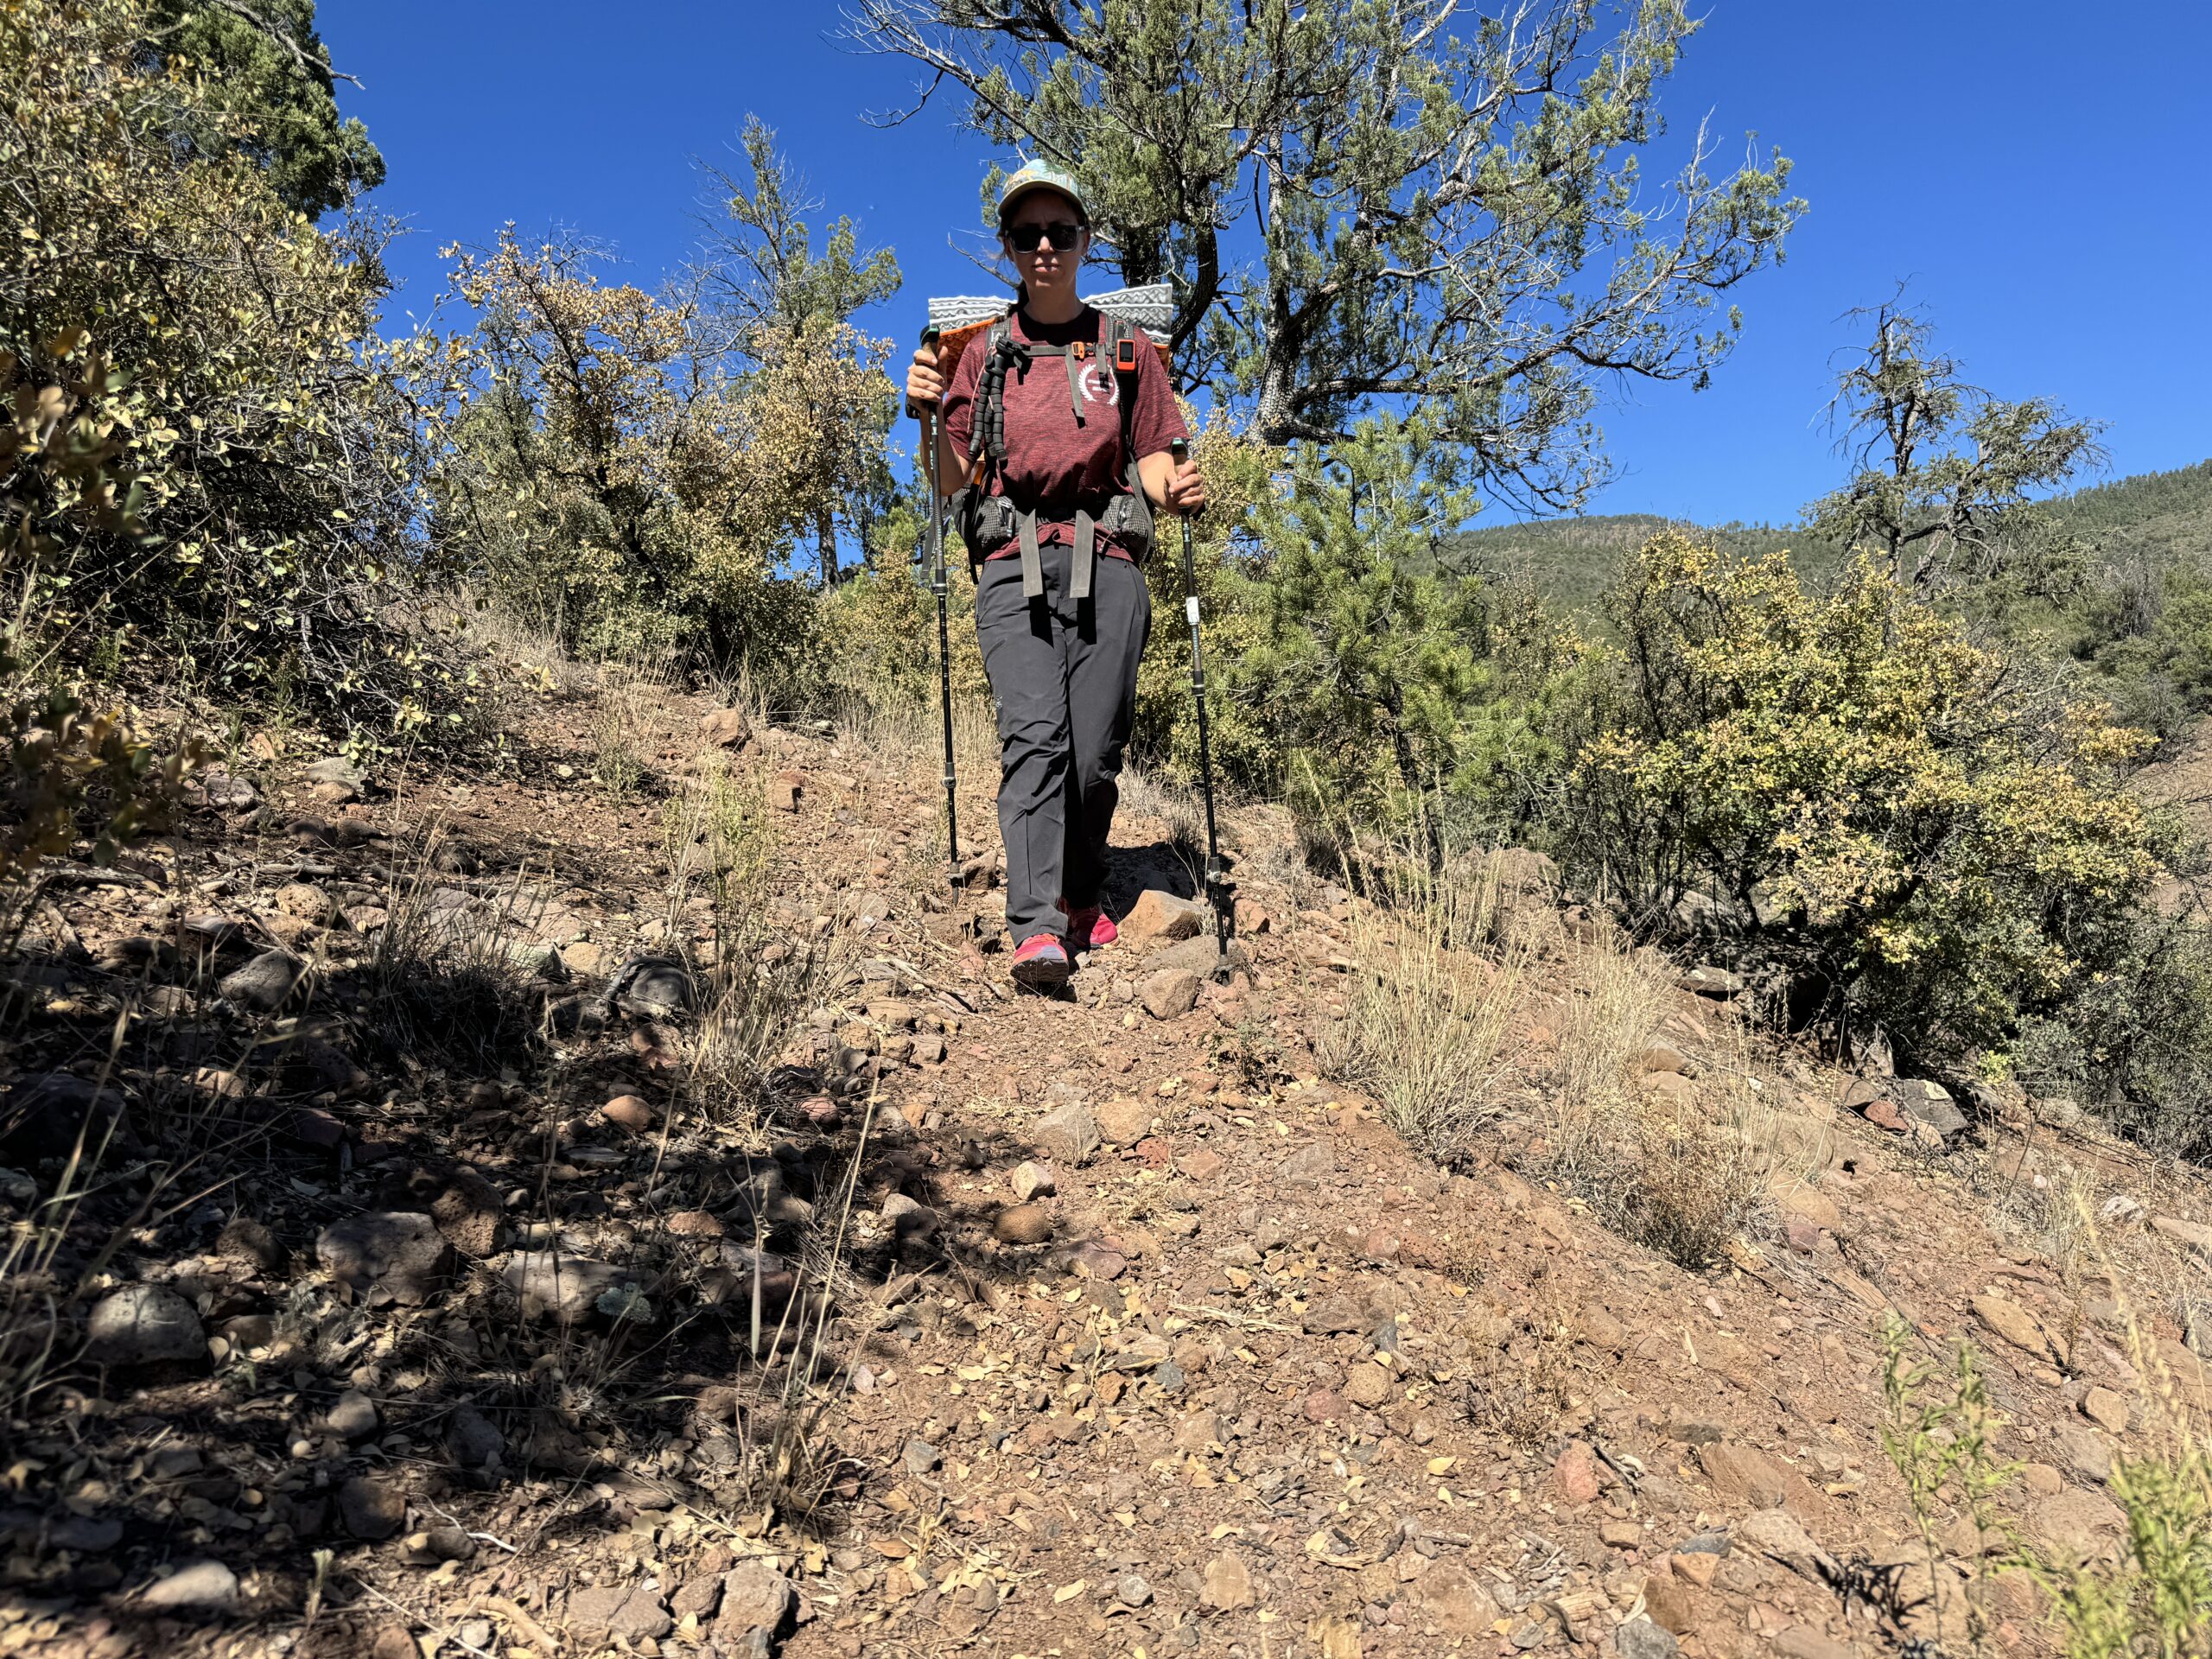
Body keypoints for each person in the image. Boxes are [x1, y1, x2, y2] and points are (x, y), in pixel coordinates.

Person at [905, 160, 1206, 992]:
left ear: (1084, 243)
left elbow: (1150, 460)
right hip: (1011, 564)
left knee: (1095, 753)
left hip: (1108, 561)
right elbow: (952, 479)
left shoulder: (1125, 348)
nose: (1045, 245)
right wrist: (927, 410)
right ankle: (1036, 925)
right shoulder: (982, 354)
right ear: (1008, 247)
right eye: (1028, 233)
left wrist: (1173, 487)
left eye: (1061, 232)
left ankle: (1079, 891)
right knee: (1033, 739)